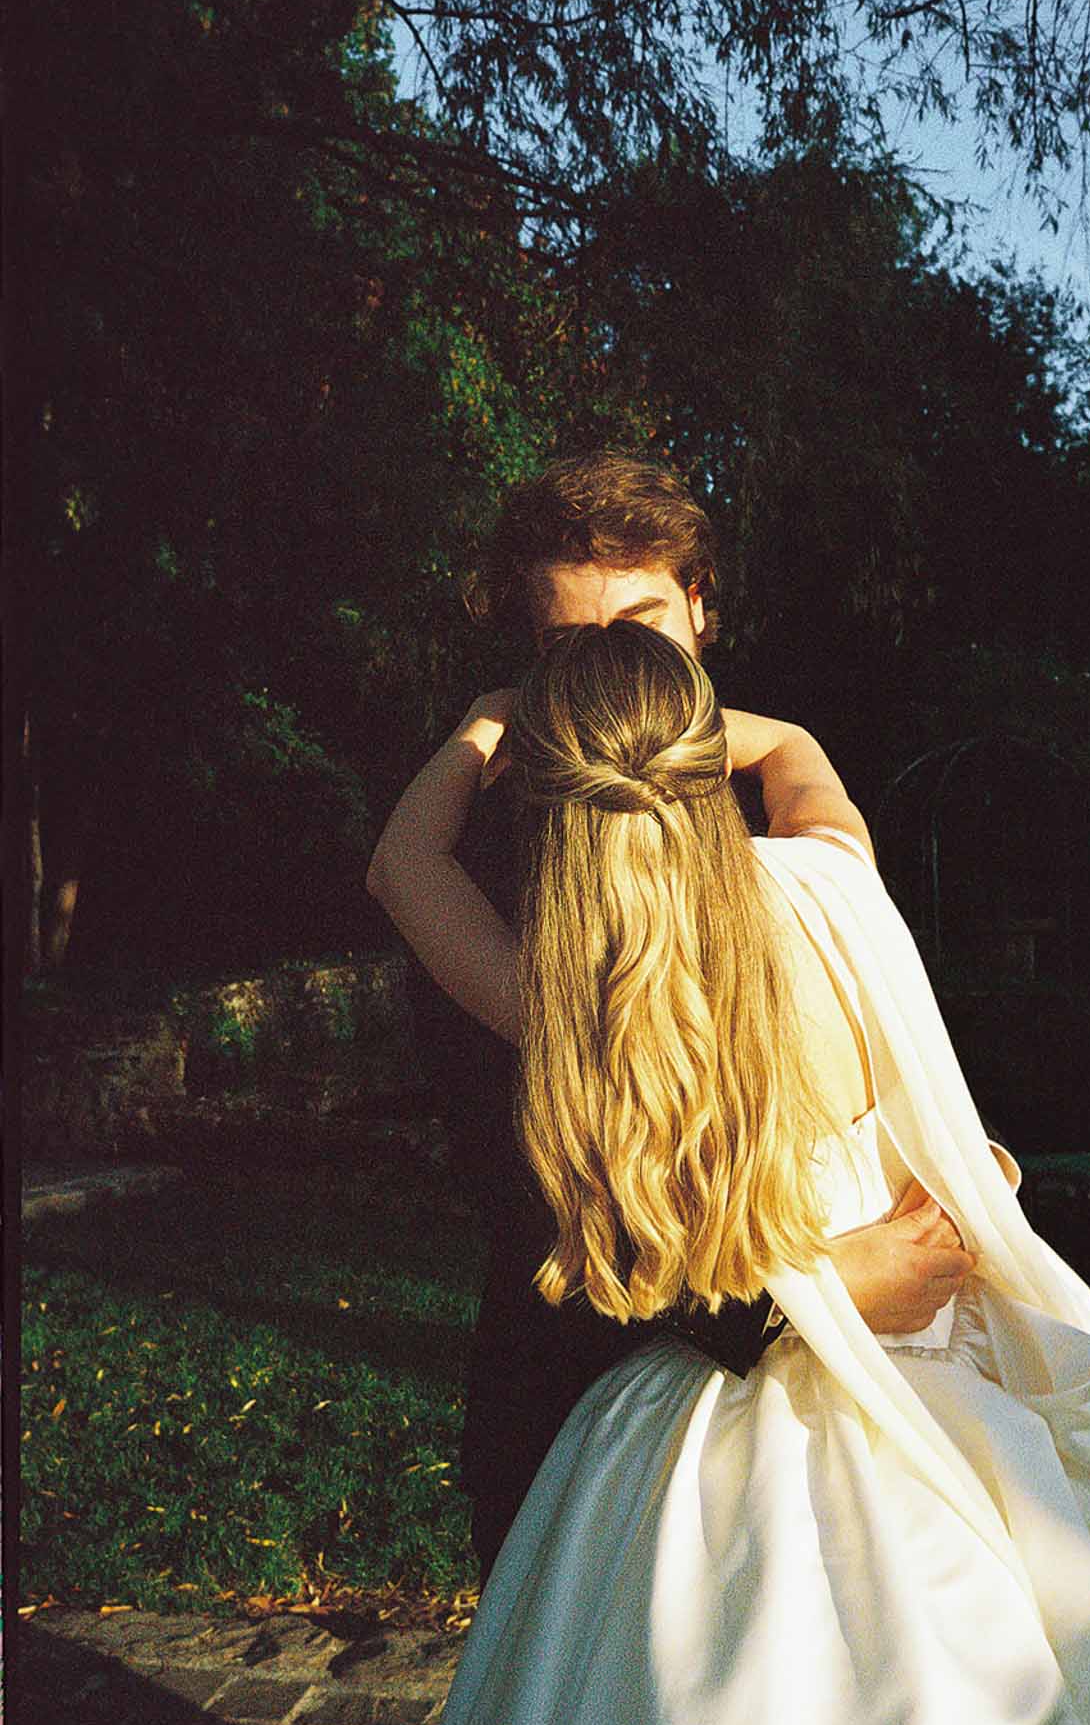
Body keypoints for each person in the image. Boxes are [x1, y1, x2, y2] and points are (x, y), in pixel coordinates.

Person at [381, 618, 1090, 1725]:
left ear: (547, 794)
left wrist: (493, 718)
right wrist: (712, 730)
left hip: (691, 1425)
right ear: (706, 761)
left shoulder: (560, 989)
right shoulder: (830, 889)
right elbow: (805, 759)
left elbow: (402, 861)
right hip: (933, 1367)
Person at [367, 451, 980, 1582]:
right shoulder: (505, 877)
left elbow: (399, 862)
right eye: (566, 645)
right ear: (530, 658)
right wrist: (807, 1299)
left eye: (640, 622)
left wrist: (479, 727)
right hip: (587, 1405)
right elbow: (531, 1196)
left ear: (702, 607)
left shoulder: (784, 857)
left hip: (854, 1415)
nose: (607, 661)